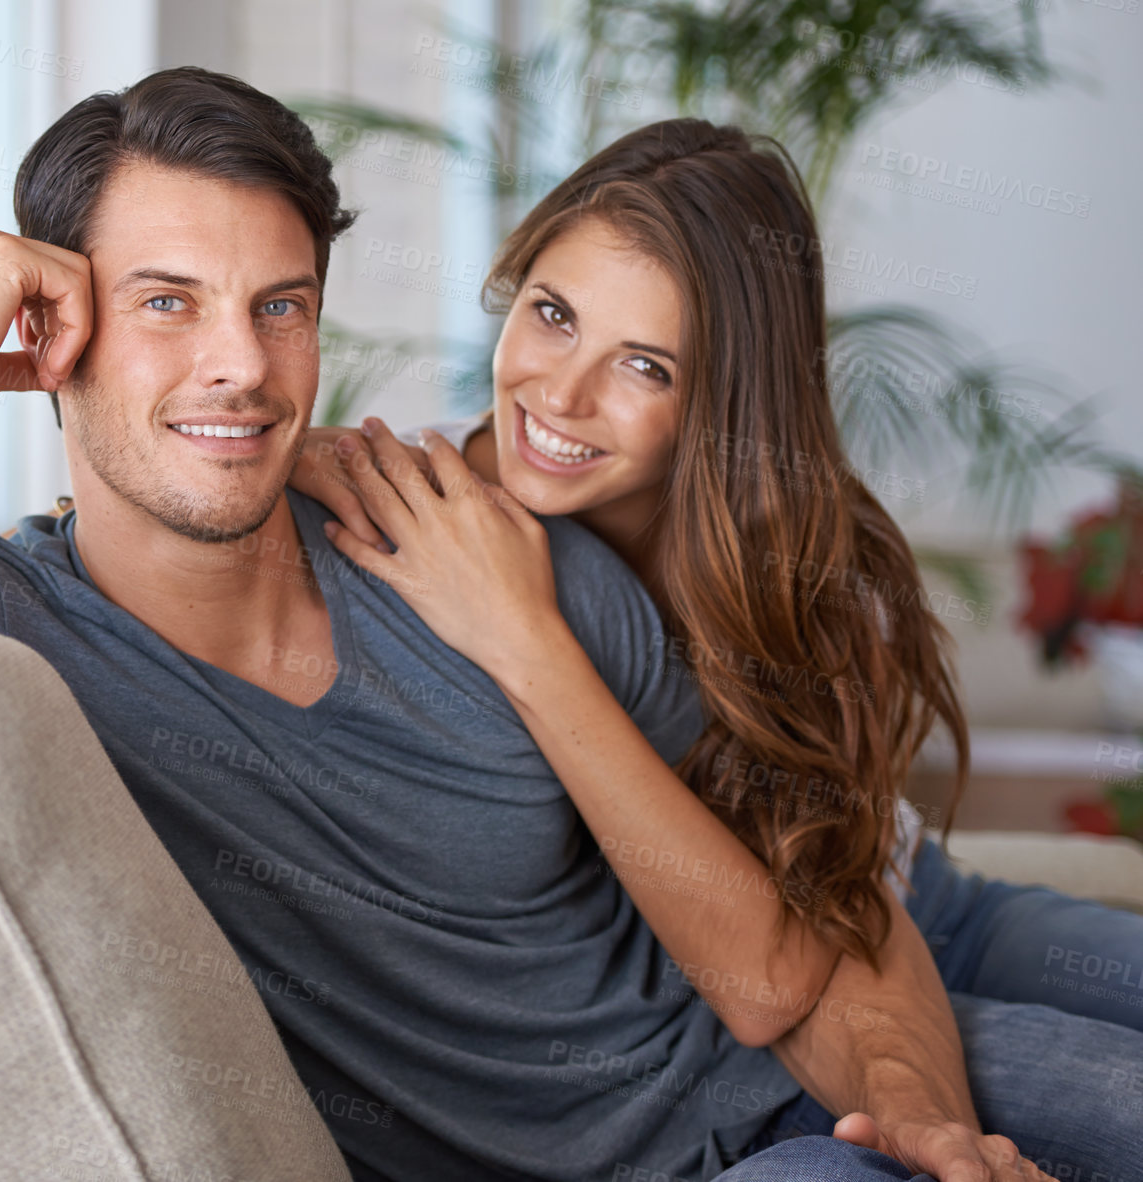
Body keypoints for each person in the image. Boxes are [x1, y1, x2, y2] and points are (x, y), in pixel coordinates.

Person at [0, 70, 1098, 1181]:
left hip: (810, 1085)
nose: (241, 367)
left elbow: (815, 886)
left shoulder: (463, 545)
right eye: (167, 302)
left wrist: (910, 1100)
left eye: (278, 304)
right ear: (46, 331)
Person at [292, 116, 1143, 1173]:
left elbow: (839, 925)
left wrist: (526, 637)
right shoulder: (418, 521)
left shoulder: (804, 571)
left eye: (644, 366)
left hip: (894, 923)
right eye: (551, 314)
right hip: (739, 1011)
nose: (559, 396)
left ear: (723, 399)